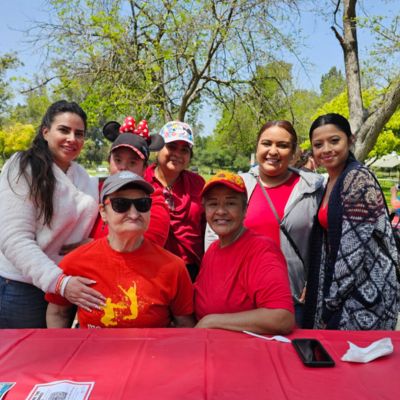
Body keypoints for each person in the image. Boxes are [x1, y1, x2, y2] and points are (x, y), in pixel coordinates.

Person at [206, 121, 324, 326]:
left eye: (283, 145)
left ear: (295, 152)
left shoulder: (312, 188)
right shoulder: (239, 185)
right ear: (257, 147)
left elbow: (322, 240)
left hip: (293, 297)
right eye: (266, 143)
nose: (273, 151)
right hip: (240, 297)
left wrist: (314, 280)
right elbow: (213, 235)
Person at [0, 100, 105, 329]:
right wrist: (60, 283)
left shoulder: (83, 176)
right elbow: (14, 238)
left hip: (64, 290)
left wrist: (91, 246)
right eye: (64, 130)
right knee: (25, 360)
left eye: (79, 134)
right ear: (45, 132)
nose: (72, 139)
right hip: (23, 288)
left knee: (55, 358)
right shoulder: (23, 167)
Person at [46, 171, 195, 328]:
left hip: (150, 352)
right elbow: (58, 313)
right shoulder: (75, 261)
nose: (134, 213)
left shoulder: (173, 268)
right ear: (103, 212)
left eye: (142, 204)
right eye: (121, 204)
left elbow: (185, 324)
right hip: (94, 352)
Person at [303, 113, 399, 330]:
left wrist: (331, 302)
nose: (326, 149)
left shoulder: (358, 180)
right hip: (343, 286)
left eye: (334, 140)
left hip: (364, 292)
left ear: (351, 139)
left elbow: (352, 252)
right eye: (318, 144)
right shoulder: (329, 181)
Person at [194, 171, 294, 334]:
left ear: (245, 209)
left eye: (230, 203)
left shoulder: (261, 250)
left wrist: (211, 321)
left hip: (248, 354)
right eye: (213, 204)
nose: (221, 211)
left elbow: (281, 317)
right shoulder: (213, 249)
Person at [89, 116, 170, 247]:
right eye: (118, 160)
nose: (123, 167)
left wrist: (86, 246)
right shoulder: (92, 191)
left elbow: (141, 248)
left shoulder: (154, 203)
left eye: (132, 162)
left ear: (144, 168)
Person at [145, 121, 205, 281]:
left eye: (184, 150)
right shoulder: (141, 180)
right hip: (150, 267)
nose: (177, 154)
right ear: (158, 149)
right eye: (171, 147)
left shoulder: (198, 184)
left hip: (191, 268)